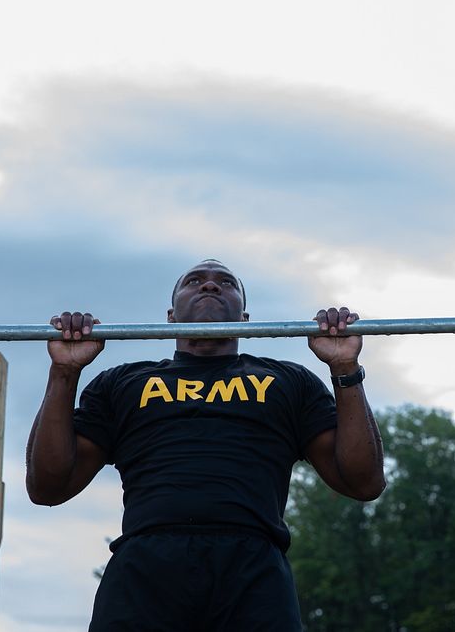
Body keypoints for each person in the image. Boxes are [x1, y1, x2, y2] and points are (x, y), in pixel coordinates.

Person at [25, 259, 385, 631]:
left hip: (252, 570)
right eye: (194, 281)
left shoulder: (287, 381)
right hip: (147, 566)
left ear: (244, 319)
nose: (210, 286)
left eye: (225, 282)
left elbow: (363, 483)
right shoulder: (122, 383)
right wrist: (64, 372)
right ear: (171, 316)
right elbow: (48, 487)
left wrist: (344, 368)